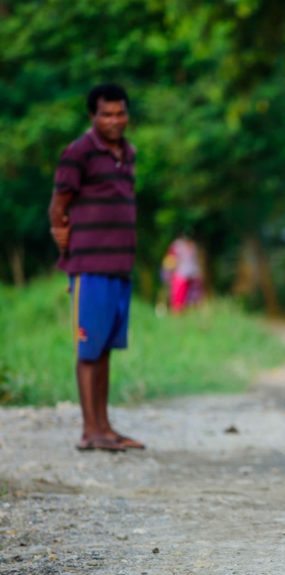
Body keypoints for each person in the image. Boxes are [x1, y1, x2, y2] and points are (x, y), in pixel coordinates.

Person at [49, 83, 143, 452]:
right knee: (88, 349)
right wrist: (66, 241)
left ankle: (105, 427)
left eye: (120, 113)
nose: (114, 120)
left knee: (104, 349)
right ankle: (90, 432)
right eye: (106, 114)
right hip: (89, 267)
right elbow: (59, 206)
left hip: (120, 266)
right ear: (92, 117)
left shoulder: (128, 153)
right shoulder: (78, 153)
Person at [162, 234, 203, 313]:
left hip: (188, 276)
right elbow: (171, 260)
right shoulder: (179, 245)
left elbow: (170, 261)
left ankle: (183, 316)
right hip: (184, 276)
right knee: (180, 301)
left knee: (187, 301)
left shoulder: (182, 245)